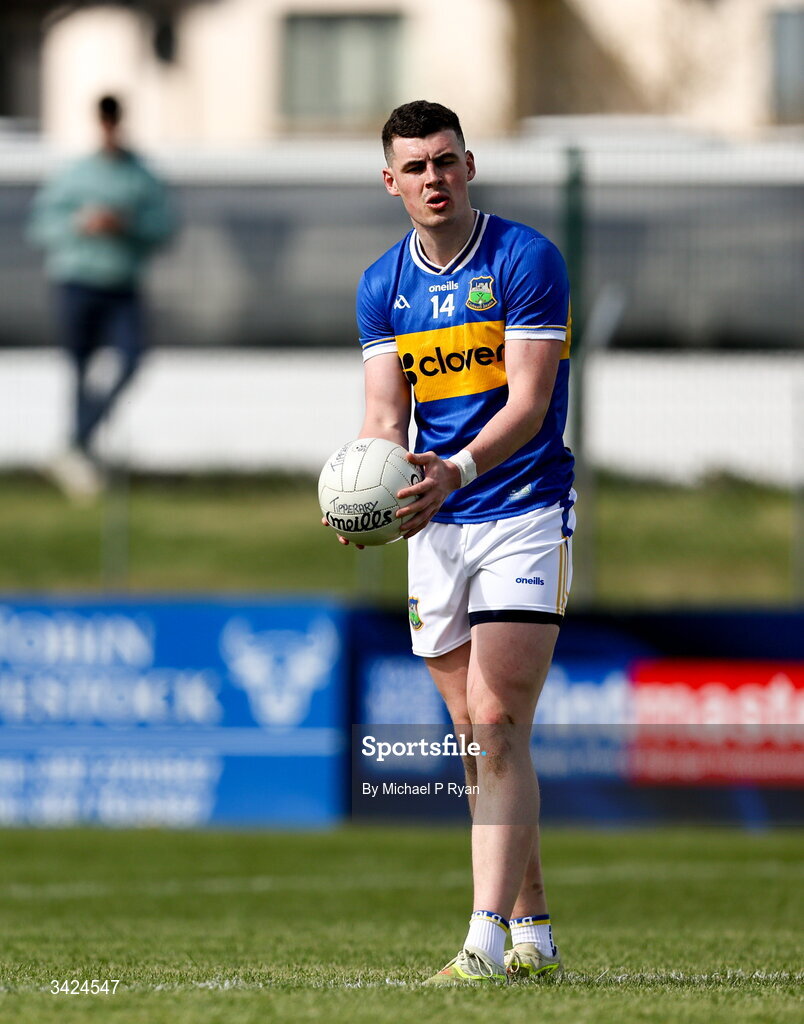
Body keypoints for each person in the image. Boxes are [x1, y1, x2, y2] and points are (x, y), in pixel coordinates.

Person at [347, 100, 575, 985]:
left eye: (446, 161)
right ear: (391, 181)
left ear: (470, 165)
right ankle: (535, 930)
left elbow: (527, 403)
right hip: (436, 525)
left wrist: (456, 470)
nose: (432, 178)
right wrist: (362, 498)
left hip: (520, 507)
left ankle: (479, 942)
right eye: (415, 167)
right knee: (476, 741)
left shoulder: (526, 259)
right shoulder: (381, 285)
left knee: (495, 721)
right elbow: (381, 415)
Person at [28, 94, 174, 500]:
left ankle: (75, 442)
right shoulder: (74, 174)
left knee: (131, 359)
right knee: (79, 368)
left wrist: (125, 225)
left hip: (122, 284)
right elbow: (41, 226)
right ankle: (80, 451)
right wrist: (81, 223)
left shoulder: (140, 175)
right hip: (77, 281)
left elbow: (163, 226)